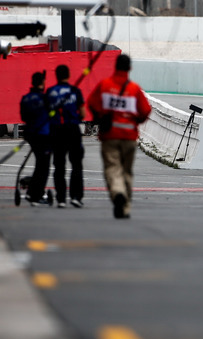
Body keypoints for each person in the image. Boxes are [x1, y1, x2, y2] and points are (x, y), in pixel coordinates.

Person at [87, 54, 152, 219]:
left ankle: (117, 194)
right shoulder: (134, 89)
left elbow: (92, 103)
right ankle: (125, 208)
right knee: (127, 171)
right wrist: (135, 121)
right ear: (129, 68)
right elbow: (145, 111)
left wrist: (101, 117)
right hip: (129, 136)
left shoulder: (105, 85)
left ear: (115, 66)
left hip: (110, 135)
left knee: (112, 167)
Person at [46, 65, 86, 208]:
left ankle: (61, 199)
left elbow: (46, 112)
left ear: (56, 76)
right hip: (72, 130)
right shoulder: (75, 91)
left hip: (56, 131)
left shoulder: (50, 92)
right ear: (68, 75)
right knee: (76, 164)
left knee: (59, 166)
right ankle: (76, 197)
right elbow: (83, 113)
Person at [20, 71, 52, 206]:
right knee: (43, 167)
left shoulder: (26, 98)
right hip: (43, 135)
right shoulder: (44, 99)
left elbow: (23, 117)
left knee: (40, 165)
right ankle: (35, 195)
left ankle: (32, 190)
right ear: (42, 82)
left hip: (32, 135)